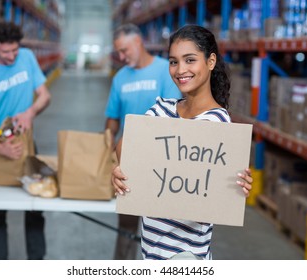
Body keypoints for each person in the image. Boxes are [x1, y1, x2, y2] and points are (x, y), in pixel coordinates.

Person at [112, 25, 253, 260]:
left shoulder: (217, 121)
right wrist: (121, 169)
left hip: (188, 257)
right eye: (173, 62)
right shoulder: (163, 107)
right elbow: (126, 149)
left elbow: (208, 192)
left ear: (210, 61)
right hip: (151, 252)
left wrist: (231, 185)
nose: (180, 70)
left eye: (190, 60)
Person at [0, 22, 51, 260]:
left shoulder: (26, 57)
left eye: (15, 49)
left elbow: (45, 95)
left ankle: (36, 264)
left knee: (35, 207)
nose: (12, 56)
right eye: (6, 52)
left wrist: (30, 112)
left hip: (27, 146)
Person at [105, 23, 182, 259]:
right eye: (118, 52)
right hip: (128, 162)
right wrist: (106, 147)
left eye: (124, 50)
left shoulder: (166, 71)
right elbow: (112, 119)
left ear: (138, 42)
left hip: (163, 163)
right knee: (127, 229)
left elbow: (175, 117)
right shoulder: (120, 78)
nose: (121, 56)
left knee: (162, 230)